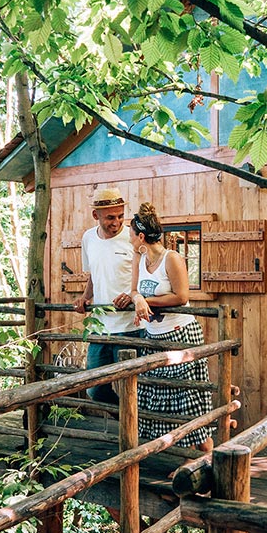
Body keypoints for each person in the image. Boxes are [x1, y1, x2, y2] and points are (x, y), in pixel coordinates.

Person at [129, 202, 214, 452]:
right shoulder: (140, 258)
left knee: (186, 397)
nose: (129, 239)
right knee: (157, 395)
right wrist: (137, 299)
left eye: (131, 235)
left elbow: (181, 296)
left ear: (141, 236)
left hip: (181, 335)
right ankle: (183, 452)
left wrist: (147, 301)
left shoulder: (172, 258)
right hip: (154, 337)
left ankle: (202, 453)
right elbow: (135, 289)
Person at [73, 186, 142, 403]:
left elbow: (149, 274)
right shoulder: (88, 239)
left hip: (130, 326)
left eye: (121, 216)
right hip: (100, 328)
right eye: (110, 217)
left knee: (134, 388)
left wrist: (133, 295)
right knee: (95, 389)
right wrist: (85, 297)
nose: (117, 222)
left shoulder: (133, 237)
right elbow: (95, 273)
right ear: (96, 216)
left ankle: (137, 432)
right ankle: (126, 422)